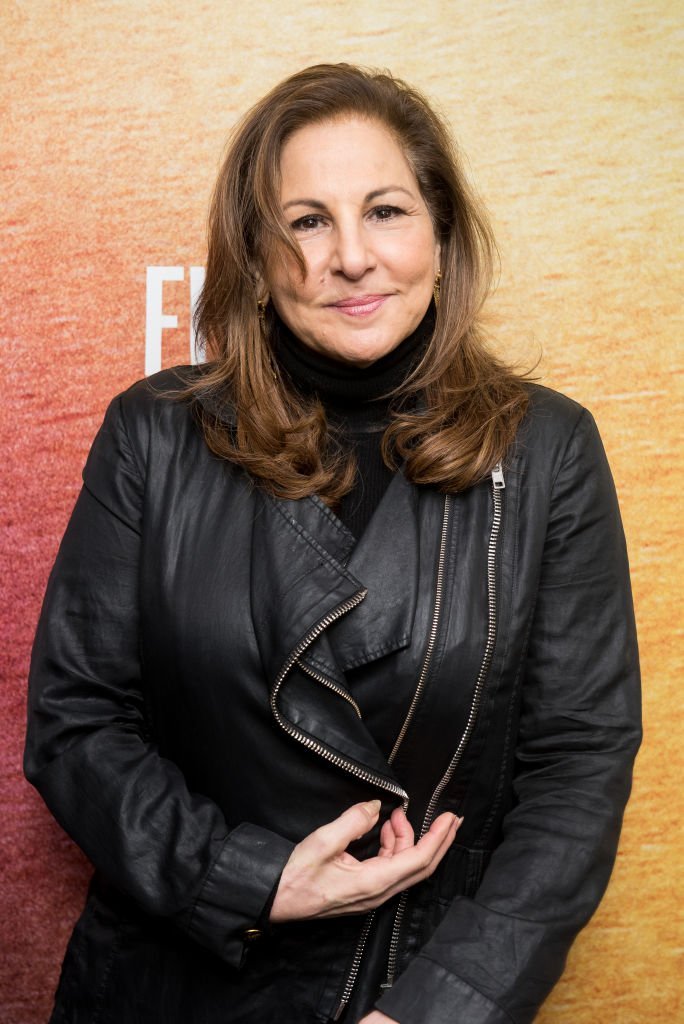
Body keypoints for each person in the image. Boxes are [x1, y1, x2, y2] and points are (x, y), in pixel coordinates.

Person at [24, 63, 641, 1024]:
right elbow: (77, 718)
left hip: (408, 984)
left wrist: (440, 1008)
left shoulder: (548, 448)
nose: (351, 256)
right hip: (169, 980)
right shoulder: (153, 432)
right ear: (257, 260)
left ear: (440, 234)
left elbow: (579, 763)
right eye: (306, 221)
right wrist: (244, 877)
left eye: (386, 210)